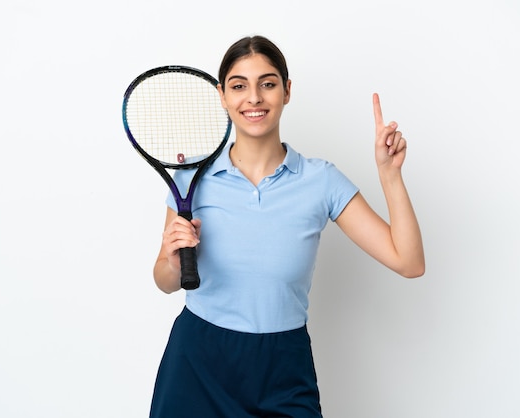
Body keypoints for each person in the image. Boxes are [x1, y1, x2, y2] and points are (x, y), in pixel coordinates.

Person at [149, 35, 425, 418]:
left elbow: (408, 262)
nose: (254, 98)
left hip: (283, 365)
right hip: (197, 362)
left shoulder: (321, 180)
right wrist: (172, 259)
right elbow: (164, 281)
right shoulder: (192, 177)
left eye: (267, 83)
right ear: (222, 95)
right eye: (239, 86)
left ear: (287, 90)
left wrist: (390, 176)